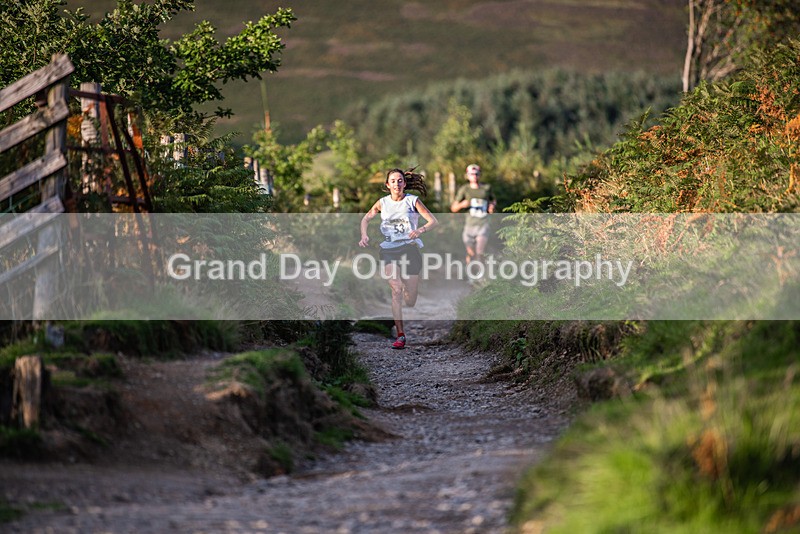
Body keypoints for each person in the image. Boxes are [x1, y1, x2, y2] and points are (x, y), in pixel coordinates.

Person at [359, 168, 438, 349]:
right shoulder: (382, 203)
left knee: (410, 300)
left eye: (400, 180)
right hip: (389, 250)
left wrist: (420, 230)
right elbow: (365, 219)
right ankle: (401, 335)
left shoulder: (412, 201)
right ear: (388, 185)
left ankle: (408, 289)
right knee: (396, 290)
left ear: (405, 183)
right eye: (393, 181)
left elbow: (433, 221)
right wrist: (364, 235)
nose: (397, 184)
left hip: (409, 249)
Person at [450, 164, 496, 265]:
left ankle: (481, 273)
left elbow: (493, 200)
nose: (474, 176)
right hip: (469, 225)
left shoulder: (486, 188)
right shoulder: (465, 189)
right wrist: (462, 204)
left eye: (476, 174)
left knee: (480, 252)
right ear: (467, 175)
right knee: (471, 253)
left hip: (483, 224)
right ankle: (470, 272)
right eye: (471, 174)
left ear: (480, 175)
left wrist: (491, 206)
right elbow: (453, 208)